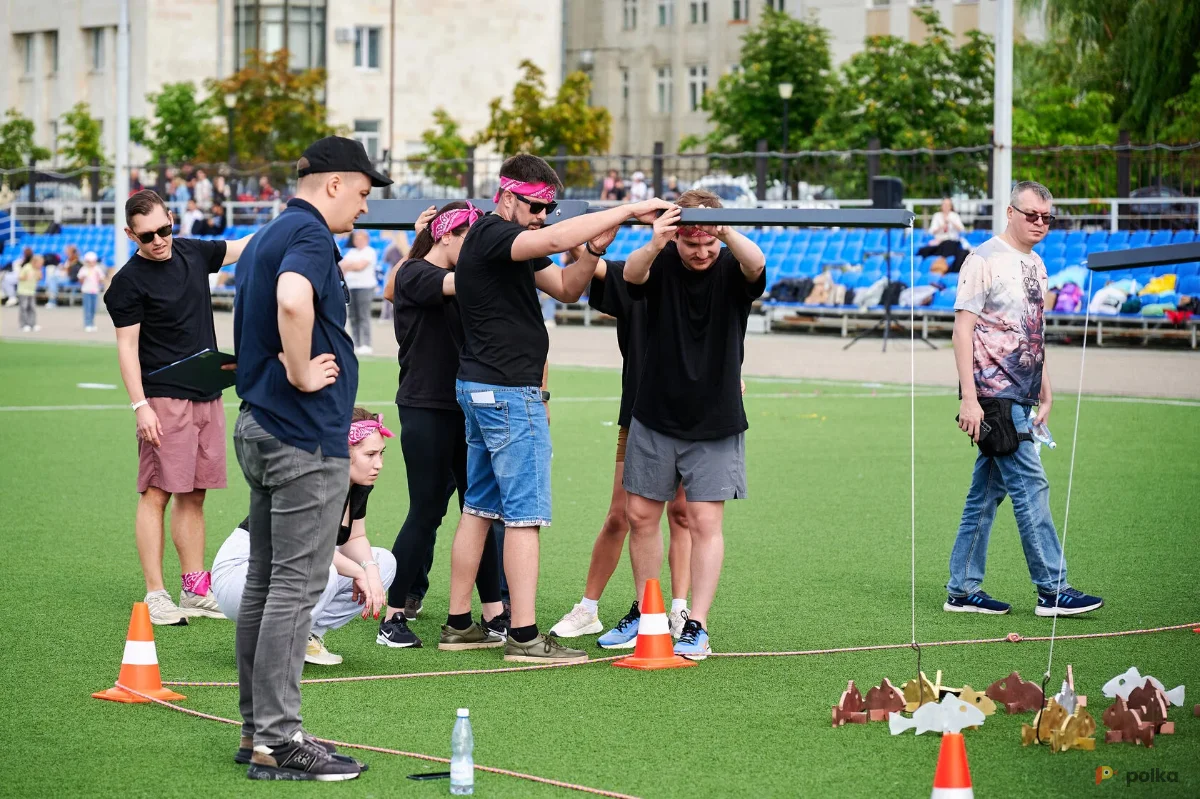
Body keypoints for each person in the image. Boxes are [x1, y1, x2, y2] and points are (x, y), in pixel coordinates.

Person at [442, 152, 670, 664]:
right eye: (536, 205)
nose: (544, 216)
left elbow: (568, 288)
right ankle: (523, 637)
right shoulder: (499, 234)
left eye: (551, 207)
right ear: (506, 196)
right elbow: (548, 241)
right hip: (507, 393)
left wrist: (592, 249)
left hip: (482, 389)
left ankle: (459, 625)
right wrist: (627, 210)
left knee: (479, 508)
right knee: (523, 517)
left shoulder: (502, 242)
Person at [231, 136, 389, 782]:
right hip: (301, 434)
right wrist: (300, 371)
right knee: (293, 590)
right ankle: (278, 737)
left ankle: (256, 730)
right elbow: (294, 298)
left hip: (261, 425)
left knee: (268, 585)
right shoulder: (310, 237)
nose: (364, 208)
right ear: (333, 185)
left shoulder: (268, 234)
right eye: (361, 193)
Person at [947, 180, 1104, 618]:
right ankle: (1052, 589)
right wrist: (968, 398)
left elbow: (1033, 331)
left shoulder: (1037, 263)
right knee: (1031, 487)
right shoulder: (982, 260)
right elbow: (962, 330)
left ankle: (960, 590)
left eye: (1047, 218)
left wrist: (1045, 388)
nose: (1040, 223)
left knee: (985, 495)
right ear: (1011, 212)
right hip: (993, 397)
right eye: (1032, 215)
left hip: (1023, 393)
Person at [621, 189, 766, 660]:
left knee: (705, 522)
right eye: (691, 243)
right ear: (677, 238)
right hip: (655, 413)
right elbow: (631, 274)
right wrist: (657, 239)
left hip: (717, 418)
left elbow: (756, 264)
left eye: (709, 243)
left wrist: (724, 230)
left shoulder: (731, 265)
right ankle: (650, 614)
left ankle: (696, 625)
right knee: (640, 517)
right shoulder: (661, 260)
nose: (701, 252)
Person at [103, 189, 254, 625]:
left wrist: (298, 223)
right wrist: (140, 406)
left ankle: (194, 589)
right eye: (147, 235)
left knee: (195, 492)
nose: (159, 240)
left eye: (164, 229)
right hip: (163, 397)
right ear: (131, 233)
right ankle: (156, 593)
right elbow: (127, 349)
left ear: (172, 219)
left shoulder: (192, 251)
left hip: (208, 391)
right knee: (157, 493)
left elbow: (244, 248)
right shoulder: (127, 283)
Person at [376, 201, 508, 649]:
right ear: (445, 235)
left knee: (479, 510)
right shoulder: (415, 273)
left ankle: (494, 614)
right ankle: (392, 614)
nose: (476, 251)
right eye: (471, 240)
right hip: (425, 406)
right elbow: (462, 282)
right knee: (427, 509)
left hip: (465, 405)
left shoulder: (449, 272)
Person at [549, 248, 693, 646]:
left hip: (694, 419)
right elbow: (586, 257)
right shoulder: (635, 277)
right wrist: (582, 235)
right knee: (622, 515)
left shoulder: (705, 280)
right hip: (640, 417)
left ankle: (676, 612)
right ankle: (590, 608)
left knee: (682, 515)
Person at [213, 407, 398, 666]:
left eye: (381, 453)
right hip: (239, 576)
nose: (379, 463)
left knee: (384, 562)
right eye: (370, 454)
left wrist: (371, 571)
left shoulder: (357, 484)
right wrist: (358, 573)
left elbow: (355, 538)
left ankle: (305, 636)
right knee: (326, 569)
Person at [340, 230, 379, 355]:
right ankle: (356, 343)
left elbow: (359, 266)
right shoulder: (351, 252)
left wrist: (350, 266)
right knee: (352, 316)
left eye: (361, 239)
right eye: (357, 239)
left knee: (363, 315)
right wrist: (353, 265)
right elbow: (342, 266)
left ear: (366, 240)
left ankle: (366, 344)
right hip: (351, 287)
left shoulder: (370, 252)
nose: (359, 241)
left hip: (365, 287)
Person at [918, 198, 969, 272]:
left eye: (947, 205)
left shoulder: (954, 216)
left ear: (951, 206)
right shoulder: (937, 216)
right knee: (923, 250)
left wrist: (951, 222)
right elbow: (931, 232)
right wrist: (941, 226)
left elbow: (962, 230)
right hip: (939, 242)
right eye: (944, 204)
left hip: (951, 242)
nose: (945, 207)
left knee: (953, 247)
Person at [78, 251, 106, 332]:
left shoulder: (97, 269)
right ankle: (87, 324)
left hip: (95, 291)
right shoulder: (84, 269)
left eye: (93, 262)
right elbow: (80, 279)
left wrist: (100, 279)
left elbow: (102, 278)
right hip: (86, 291)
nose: (91, 263)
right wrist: (83, 277)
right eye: (89, 262)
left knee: (93, 308)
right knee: (88, 308)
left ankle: (92, 323)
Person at [18, 254, 41, 332]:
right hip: (23, 291)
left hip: (32, 291)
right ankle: (24, 324)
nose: (40, 265)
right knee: (24, 308)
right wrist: (26, 277)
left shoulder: (37, 269)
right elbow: (20, 277)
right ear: (34, 262)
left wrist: (38, 273)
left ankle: (32, 324)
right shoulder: (27, 268)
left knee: (32, 308)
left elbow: (39, 278)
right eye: (39, 263)